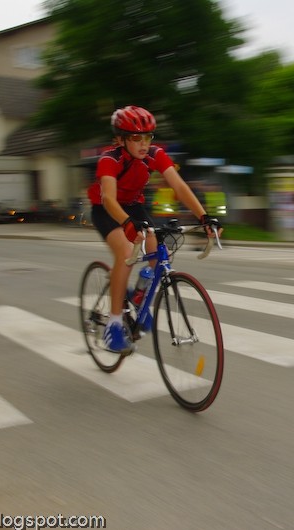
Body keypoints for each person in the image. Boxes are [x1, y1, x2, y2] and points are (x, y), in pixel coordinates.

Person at [88, 105, 222, 353]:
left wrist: (204, 217)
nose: (143, 143)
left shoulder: (155, 154)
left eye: (147, 137)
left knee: (157, 251)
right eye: (136, 137)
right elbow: (108, 198)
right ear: (120, 139)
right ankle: (114, 325)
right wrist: (127, 224)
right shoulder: (110, 159)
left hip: (134, 207)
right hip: (106, 209)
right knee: (126, 253)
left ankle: (139, 296)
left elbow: (179, 187)